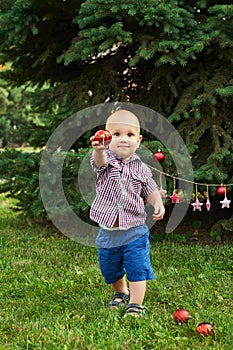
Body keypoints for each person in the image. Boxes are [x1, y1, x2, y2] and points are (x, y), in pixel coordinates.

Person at [90, 109, 165, 317]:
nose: (124, 139)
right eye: (116, 134)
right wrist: (98, 149)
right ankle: (121, 292)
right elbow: (99, 163)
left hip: (134, 230)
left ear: (139, 140)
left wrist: (157, 202)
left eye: (130, 135)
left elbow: (149, 189)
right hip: (108, 230)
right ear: (107, 137)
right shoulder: (106, 161)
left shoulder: (141, 168)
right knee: (110, 268)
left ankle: (136, 304)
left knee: (137, 266)